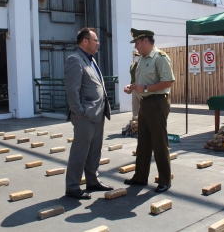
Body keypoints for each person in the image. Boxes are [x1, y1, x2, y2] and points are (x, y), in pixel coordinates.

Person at [123, 28, 175, 193]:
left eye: (137, 43)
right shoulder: (142, 60)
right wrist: (132, 87)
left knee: (159, 142)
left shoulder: (160, 58)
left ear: (146, 41)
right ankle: (140, 177)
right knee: (143, 141)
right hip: (145, 103)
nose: (136, 47)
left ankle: (165, 180)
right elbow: (141, 82)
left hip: (157, 102)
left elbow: (168, 82)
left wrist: (144, 88)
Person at [64, 27, 113, 200]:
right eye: (96, 40)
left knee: (94, 151)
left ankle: (92, 180)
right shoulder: (75, 60)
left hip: (97, 115)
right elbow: (72, 90)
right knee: (80, 152)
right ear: (85, 41)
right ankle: (72, 186)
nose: (98, 43)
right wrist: (79, 112)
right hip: (85, 116)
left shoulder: (90, 60)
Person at [130, 51, 140, 117]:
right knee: (135, 104)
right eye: (135, 55)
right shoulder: (132, 66)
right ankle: (135, 119)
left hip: (141, 85)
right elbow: (132, 76)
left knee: (142, 104)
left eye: (138, 55)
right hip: (134, 85)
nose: (136, 57)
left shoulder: (142, 65)